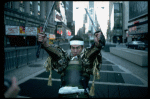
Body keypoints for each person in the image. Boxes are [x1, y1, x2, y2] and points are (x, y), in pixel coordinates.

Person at [37, 29, 105, 98]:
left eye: (78, 48)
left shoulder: (86, 59)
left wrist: (97, 45)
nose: (75, 50)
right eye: (73, 48)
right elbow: (57, 55)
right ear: (70, 47)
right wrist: (45, 44)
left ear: (82, 47)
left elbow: (90, 56)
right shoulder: (65, 59)